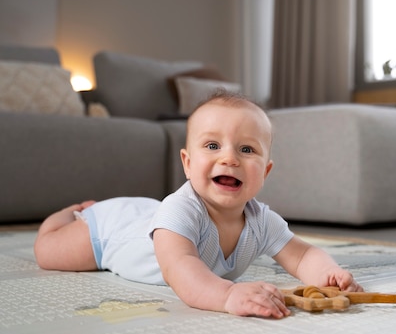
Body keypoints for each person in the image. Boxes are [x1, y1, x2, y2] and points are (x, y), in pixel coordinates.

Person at [34, 90, 363, 319]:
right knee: (48, 253)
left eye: (246, 150)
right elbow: (180, 269)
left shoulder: (261, 220)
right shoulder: (181, 211)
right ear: (188, 163)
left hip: (144, 212)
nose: (229, 158)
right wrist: (227, 295)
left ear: (265, 171)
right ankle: (70, 212)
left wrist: (328, 273)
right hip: (107, 231)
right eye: (212, 145)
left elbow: (302, 254)